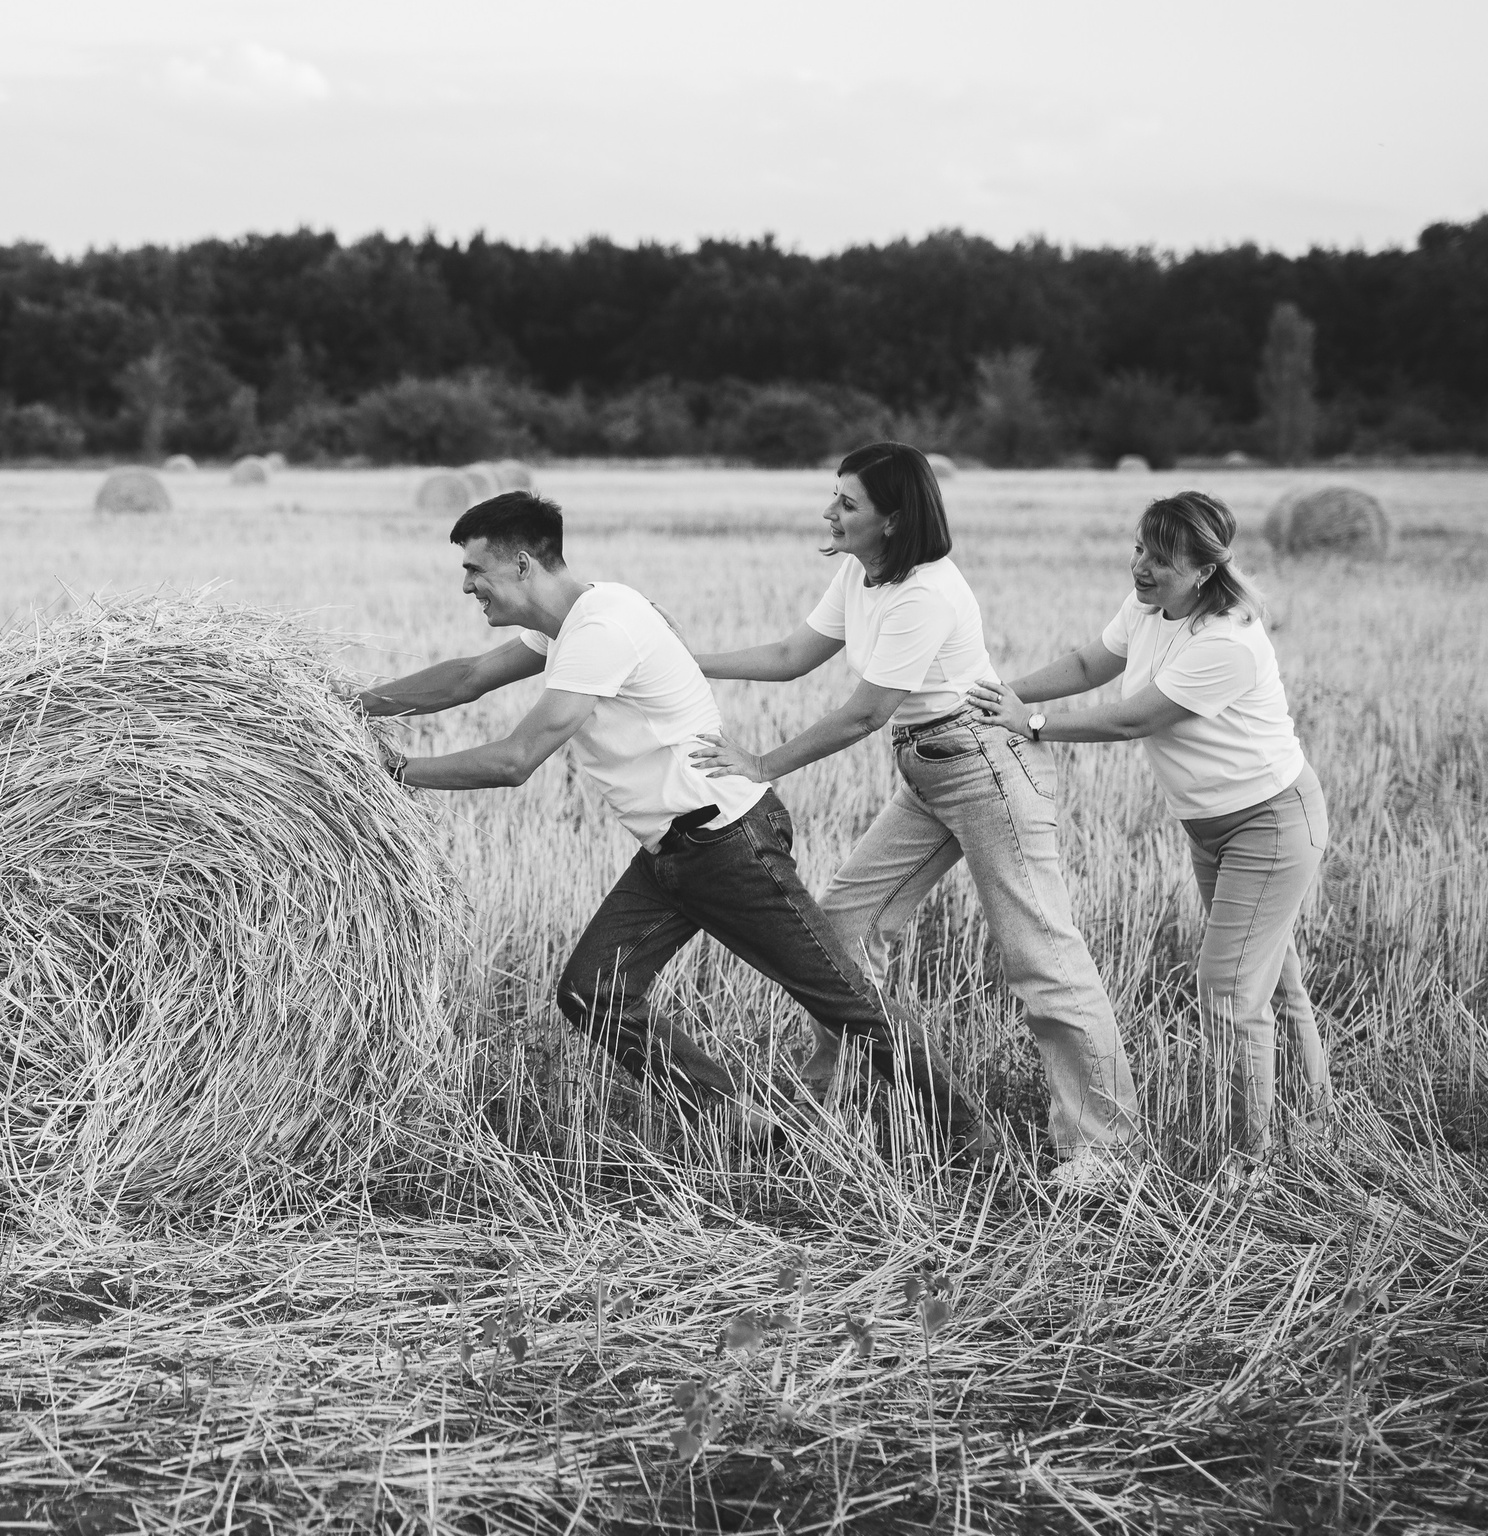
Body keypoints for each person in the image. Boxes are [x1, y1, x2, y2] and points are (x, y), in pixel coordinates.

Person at [361, 491, 981, 1150]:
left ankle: (971, 1140)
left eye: (474, 571)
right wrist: (347, 706)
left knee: (846, 1003)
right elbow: (467, 677)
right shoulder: (569, 620)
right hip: (675, 852)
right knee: (592, 991)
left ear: (521, 566)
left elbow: (518, 759)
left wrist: (400, 773)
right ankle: (741, 1128)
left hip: (728, 843)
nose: (465, 586)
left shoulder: (602, 628)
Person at [685, 441, 1140, 1189]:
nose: (830, 511)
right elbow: (793, 652)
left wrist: (763, 764)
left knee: (1041, 959)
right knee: (841, 931)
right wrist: (685, 657)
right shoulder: (861, 574)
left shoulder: (925, 592)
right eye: (834, 496)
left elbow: (865, 712)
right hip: (928, 770)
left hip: (984, 768)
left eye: (847, 502)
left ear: (892, 520)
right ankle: (834, 1110)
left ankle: (1106, 1152)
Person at [968, 491, 1328, 1191]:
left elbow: (1133, 721)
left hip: (1272, 826)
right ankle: (1314, 1116)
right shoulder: (1148, 609)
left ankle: (1250, 1160)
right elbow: (1083, 666)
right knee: (1273, 982)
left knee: (1227, 990)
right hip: (1212, 828)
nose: (1141, 566)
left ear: (1200, 569)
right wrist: (1001, 694)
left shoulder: (1227, 639)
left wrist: (1030, 725)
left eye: (1160, 559)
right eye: (1139, 548)